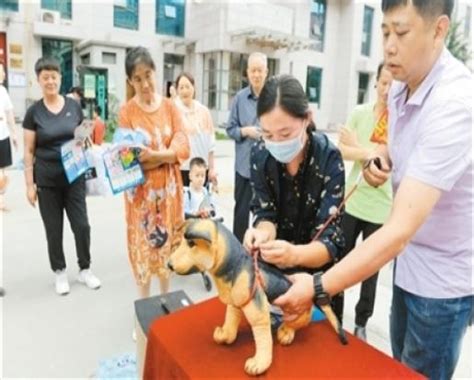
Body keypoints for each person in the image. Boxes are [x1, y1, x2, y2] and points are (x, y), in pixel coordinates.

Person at [273, 1, 472, 379]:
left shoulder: (455, 105)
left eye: (401, 32)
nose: (389, 46)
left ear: (439, 30)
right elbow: (398, 145)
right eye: (384, 32)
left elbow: (397, 232)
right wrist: (383, 156)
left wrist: (316, 286)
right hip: (410, 266)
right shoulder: (401, 86)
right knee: (400, 366)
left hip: (443, 283)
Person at [243, 74, 346, 321]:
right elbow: (266, 214)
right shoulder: (260, 154)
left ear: (306, 119)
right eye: (267, 134)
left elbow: (331, 243)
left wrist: (295, 255)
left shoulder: (329, 158)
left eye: (285, 133)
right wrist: (262, 234)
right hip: (274, 280)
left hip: (318, 283)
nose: (276, 142)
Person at [22, 57, 101, 296]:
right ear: (38, 80)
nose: (50, 81)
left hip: (74, 176)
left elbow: (82, 136)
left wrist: (87, 142)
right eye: (45, 77)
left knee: (82, 225)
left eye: (54, 76)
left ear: (60, 78)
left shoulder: (73, 106)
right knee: (53, 230)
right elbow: (28, 150)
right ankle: (60, 272)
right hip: (47, 180)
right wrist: (29, 185)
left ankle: (84, 269)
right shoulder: (33, 113)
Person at [119, 46, 189, 300]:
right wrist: (165, 156)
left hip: (168, 196)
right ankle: (143, 309)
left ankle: (165, 301)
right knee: (144, 253)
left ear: (155, 73)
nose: (145, 84)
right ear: (130, 81)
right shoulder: (127, 112)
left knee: (166, 251)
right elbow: (126, 161)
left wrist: (153, 157)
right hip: (140, 199)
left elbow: (183, 147)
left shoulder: (170, 107)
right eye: (137, 79)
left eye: (148, 75)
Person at [337, 62, 393, 340]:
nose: (387, 89)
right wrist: (366, 152)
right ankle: (334, 315)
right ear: (376, 83)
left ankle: (361, 321)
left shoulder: (399, 122)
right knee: (338, 259)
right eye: (383, 83)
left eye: (392, 84)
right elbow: (341, 150)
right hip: (353, 201)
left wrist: (359, 148)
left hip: (381, 209)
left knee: (370, 268)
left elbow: (385, 162)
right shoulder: (360, 113)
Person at [226, 52, 268, 242]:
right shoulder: (240, 99)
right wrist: (245, 131)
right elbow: (230, 129)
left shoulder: (274, 98)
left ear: (266, 72)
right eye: (253, 70)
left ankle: (260, 256)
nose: (256, 74)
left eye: (260, 70)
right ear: (247, 72)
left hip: (267, 168)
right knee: (241, 214)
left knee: (265, 216)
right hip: (243, 168)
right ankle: (237, 253)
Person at [174, 72, 217, 189]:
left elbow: (211, 143)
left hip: (201, 171)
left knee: (201, 205)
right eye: (181, 87)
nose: (185, 91)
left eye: (188, 86)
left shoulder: (204, 111)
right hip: (181, 170)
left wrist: (212, 168)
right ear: (177, 91)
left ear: (194, 88)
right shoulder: (174, 112)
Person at [0, 59, 18, 211]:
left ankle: (1, 200)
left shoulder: (3, 91)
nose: (4, 74)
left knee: (4, 169)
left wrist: (14, 134)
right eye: (1, 71)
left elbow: (9, 113)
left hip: (3, 135)